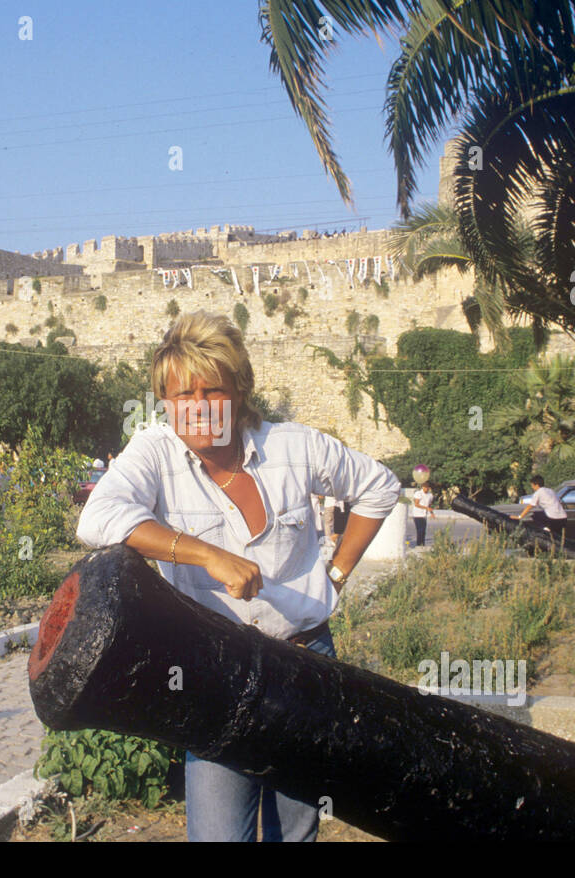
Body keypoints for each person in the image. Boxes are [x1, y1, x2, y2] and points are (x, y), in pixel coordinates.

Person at [78, 312, 401, 843]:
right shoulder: (154, 452)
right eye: (181, 395)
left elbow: (379, 488)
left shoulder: (294, 448)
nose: (197, 407)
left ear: (240, 390)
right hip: (213, 675)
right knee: (219, 834)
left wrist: (336, 574)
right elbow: (97, 519)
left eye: (212, 390)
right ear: (164, 401)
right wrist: (204, 553)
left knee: (294, 832)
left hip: (304, 663)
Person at [512, 475, 566, 542]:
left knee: (534, 515)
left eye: (532, 485)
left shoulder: (538, 492)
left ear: (536, 485)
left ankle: (546, 529)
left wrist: (520, 516)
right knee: (558, 537)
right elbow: (560, 502)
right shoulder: (551, 490)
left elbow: (530, 506)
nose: (532, 487)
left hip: (553, 519)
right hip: (563, 518)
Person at [411, 480, 435, 547]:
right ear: (422, 487)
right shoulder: (418, 493)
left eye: (427, 487)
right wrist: (426, 508)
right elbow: (416, 504)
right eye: (424, 487)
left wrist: (431, 513)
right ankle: (419, 544)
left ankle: (422, 544)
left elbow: (429, 505)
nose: (426, 488)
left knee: (423, 530)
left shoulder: (430, 495)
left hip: (424, 515)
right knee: (419, 530)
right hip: (417, 514)